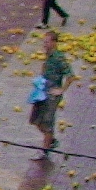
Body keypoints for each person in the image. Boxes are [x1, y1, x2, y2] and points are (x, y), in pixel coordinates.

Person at [29, 30, 71, 161]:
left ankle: (44, 151)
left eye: (47, 42)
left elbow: (71, 75)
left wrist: (61, 90)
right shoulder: (48, 55)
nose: (44, 44)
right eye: (44, 42)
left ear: (54, 43)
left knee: (47, 122)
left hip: (52, 96)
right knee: (35, 120)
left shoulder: (59, 58)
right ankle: (51, 140)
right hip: (42, 92)